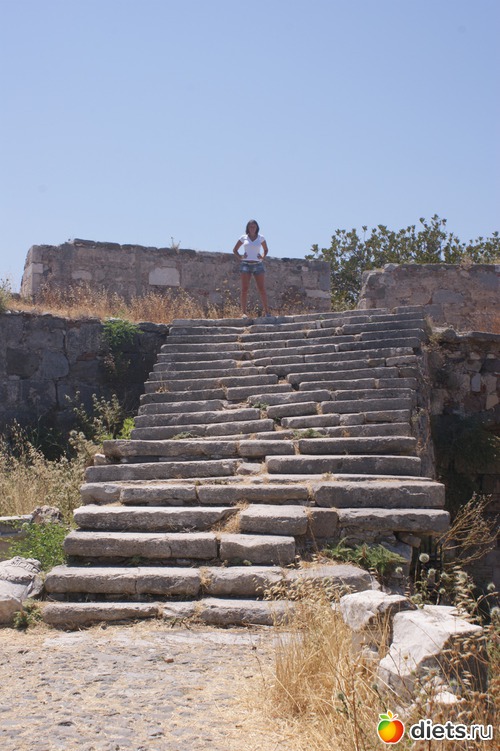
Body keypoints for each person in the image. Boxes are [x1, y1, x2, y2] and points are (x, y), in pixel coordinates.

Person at [232, 219, 271, 317]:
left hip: (258, 264)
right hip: (246, 264)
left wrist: (262, 257)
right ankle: (244, 313)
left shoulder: (261, 238)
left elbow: (266, 249)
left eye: (254, 226)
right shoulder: (243, 238)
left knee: (261, 288)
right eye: (250, 226)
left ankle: (267, 312)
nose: (252, 228)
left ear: (257, 227)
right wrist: (241, 257)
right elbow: (235, 250)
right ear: (247, 228)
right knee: (244, 289)